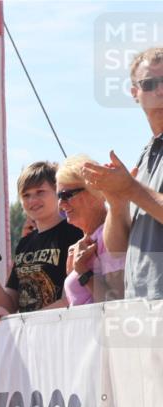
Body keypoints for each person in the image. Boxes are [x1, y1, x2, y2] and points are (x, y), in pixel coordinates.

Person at [85, 46, 163, 300]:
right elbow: (119, 250)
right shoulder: (145, 155)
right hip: (141, 308)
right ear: (135, 93)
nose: (160, 91)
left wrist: (129, 188)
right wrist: (116, 203)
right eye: (150, 84)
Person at [0, 161, 83, 320]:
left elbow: (72, 298)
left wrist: (26, 321)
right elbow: (9, 304)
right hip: (28, 336)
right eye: (26, 195)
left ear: (57, 191)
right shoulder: (25, 243)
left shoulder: (75, 233)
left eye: (40, 192)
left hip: (61, 334)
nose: (32, 200)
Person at [55, 155, 126, 305]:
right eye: (58, 196)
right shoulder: (86, 243)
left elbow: (118, 303)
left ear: (94, 193)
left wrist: (83, 272)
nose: (60, 204)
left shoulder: (110, 236)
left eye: (66, 195)